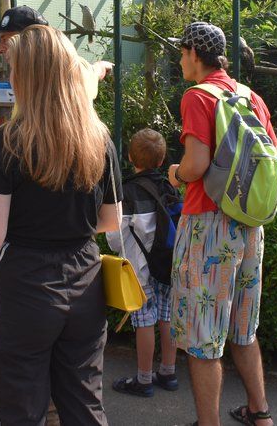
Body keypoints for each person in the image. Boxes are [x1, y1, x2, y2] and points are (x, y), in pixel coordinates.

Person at [0, 24, 121, 425]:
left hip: (24, 281)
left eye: (12, 69)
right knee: (84, 402)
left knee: (20, 407)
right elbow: (110, 220)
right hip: (86, 278)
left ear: (25, 77)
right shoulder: (99, 138)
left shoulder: (7, 142)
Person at [166, 22, 277, 426]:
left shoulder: (198, 96)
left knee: (202, 336)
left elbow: (196, 165)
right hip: (250, 226)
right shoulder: (251, 97)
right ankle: (259, 413)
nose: (180, 60)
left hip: (209, 226)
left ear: (195, 52)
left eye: (181, 52)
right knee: (243, 328)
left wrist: (176, 173)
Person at [106, 128, 180, 398]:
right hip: (169, 265)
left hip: (140, 270)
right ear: (161, 160)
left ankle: (144, 379)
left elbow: (116, 238)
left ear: (129, 157)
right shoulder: (170, 187)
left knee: (144, 320)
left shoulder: (127, 192)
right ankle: (168, 372)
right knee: (167, 316)